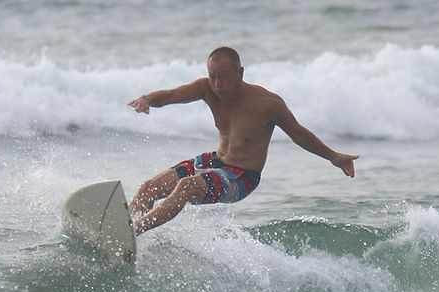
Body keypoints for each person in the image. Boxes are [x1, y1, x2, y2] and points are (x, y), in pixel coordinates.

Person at [127, 47, 359, 236]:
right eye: (212, 77)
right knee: (148, 188)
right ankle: (123, 232)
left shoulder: (267, 104)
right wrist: (147, 99)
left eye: (223, 77)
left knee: (186, 186)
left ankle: (133, 232)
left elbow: (298, 134)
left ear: (240, 73)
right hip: (216, 161)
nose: (217, 84)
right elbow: (170, 95)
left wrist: (334, 157)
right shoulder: (206, 89)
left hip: (243, 177)